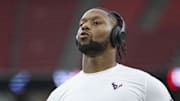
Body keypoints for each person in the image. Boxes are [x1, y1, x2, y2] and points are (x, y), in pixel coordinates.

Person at [47, 7, 173, 101]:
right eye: (81, 24)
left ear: (117, 35)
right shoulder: (58, 95)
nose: (85, 26)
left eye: (96, 23)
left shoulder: (145, 84)